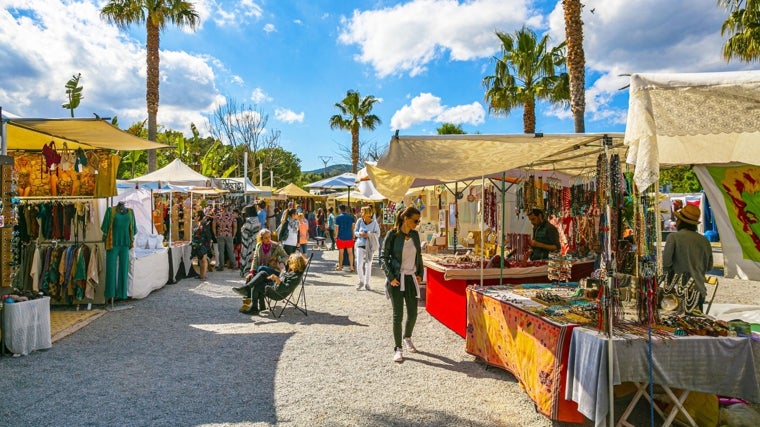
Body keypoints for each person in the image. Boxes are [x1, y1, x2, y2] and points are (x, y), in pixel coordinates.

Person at [381, 206, 423, 363]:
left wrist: (420, 273)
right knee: (398, 315)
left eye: (418, 221)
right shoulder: (392, 235)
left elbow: (419, 255)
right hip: (397, 279)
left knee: (413, 314)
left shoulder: (415, 235)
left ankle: (407, 337)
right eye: (415, 221)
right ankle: (398, 349)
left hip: (411, 278)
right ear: (406, 218)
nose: (417, 224)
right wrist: (390, 276)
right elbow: (383, 257)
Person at [662, 204, 713, 312]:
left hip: (677, 291)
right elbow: (709, 266)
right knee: (695, 326)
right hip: (698, 290)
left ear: (680, 221)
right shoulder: (704, 241)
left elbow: (666, 263)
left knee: (676, 326)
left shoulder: (674, 237)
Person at [233, 252, 307, 315]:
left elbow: (285, 288)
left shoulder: (295, 276)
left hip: (277, 293)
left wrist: (277, 279)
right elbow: (283, 275)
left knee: (257, 284)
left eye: (290, 262)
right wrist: (279, 275)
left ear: (295, 264)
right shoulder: (292, 270)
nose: (288, 263)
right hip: (274, 285)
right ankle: (248, 288)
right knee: (262, 273)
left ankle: (254, 308)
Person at [354, 205, 381, 290]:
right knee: (359, 265)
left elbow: (378, 234)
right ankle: (361, 281)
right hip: (360, 245)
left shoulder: (374, 223)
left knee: (368, 265)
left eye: (362, 212)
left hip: (370, 246)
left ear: (367, 213)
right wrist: (360, 234)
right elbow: (355, 232)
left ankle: (367, 283)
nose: (360, 213)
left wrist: (369, 235)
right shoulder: (359, 221)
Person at [192, 210, 214, 281]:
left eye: (195, 216)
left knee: (203, 259)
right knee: (200, 259)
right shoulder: (199, 223)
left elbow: (208, 233)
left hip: (204, 243)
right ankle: (201, 275)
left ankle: (203, 276)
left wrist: (210, 241)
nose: (194, 217)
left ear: (199, 216)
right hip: (199, 243)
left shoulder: (204, 223)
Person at [213, 204, 237, 271]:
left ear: (221, 208)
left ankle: (221, 266)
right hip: (229, 235)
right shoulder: (232, 216)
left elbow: (213, 226)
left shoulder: (218, 216)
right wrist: (233, 235)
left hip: (220, 235)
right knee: (230, 251)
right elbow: (235, 226)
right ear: (228, 208)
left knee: (221, 251)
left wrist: (215, 234)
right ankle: (234, 265)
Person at [239, 205, 262, 274]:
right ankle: (250, 271)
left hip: (248, 242)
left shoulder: (249, 220)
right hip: (254, 241)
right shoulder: (257, 219)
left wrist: (242, 230)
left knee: (247, 256)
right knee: (252, 257)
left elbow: (246, 231)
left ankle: (246, 271)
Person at [334, 204, 355, 271]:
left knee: (341, 252)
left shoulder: (338, 218)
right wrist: (353, 236)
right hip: (349, 237)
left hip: (341, 238)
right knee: (350, 253)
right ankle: (351, 267)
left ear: (340, 209)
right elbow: (353, 228)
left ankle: (340, 266)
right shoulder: (351, 217)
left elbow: (337, 228)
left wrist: (336, 236)